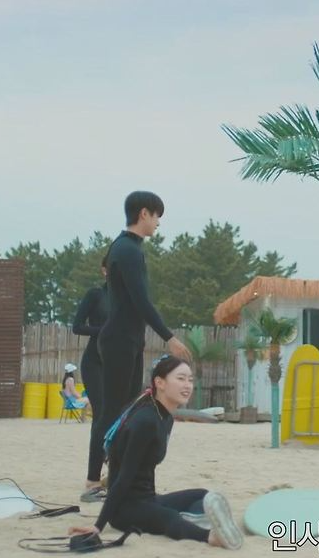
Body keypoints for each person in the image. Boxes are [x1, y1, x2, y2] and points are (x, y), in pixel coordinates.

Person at [67, 356, 243, 549]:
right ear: (160, 383)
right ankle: (210, 536)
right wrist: (98, 526)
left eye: (190, 380)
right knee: (169, 517)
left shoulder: (165, 417)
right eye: (181, 379)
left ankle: (193, 521)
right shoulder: (145, 421)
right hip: (124, 510)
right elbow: (123, 477)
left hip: (148, 500)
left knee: (203, 496)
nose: (187, 385)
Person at [97, 191, 191, 502]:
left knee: (126, 411)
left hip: (129, 339)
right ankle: (92, 481)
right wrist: (169, 337)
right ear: (144, 214)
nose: (158, 223)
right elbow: (141, 301)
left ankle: (114, 478)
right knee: (112, 412)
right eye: (156, 215)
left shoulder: (129, 248)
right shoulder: (127, 250)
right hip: (119, 339)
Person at [72, 256, 110, 501]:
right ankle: (92, 479)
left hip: (119, 363)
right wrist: (104, 330)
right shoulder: (96, 295)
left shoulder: (129, 299)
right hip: (95, 361)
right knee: (102, 414)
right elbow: (77, 326)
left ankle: (114, 470)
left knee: (120, 416)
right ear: (104, 270)